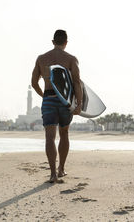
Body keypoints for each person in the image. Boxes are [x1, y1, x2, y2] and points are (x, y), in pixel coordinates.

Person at [31, 29, 83, 183]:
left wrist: (44, 95)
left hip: (48, 98)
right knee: (64, 133)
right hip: (65, 102)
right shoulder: (71, 59)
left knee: (49, 137)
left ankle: (52, 174)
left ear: (53, 42)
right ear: (66, 43)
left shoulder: (41, 59)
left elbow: (34, 83)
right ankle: (61, 169)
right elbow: (76, 82)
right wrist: (78, 104)